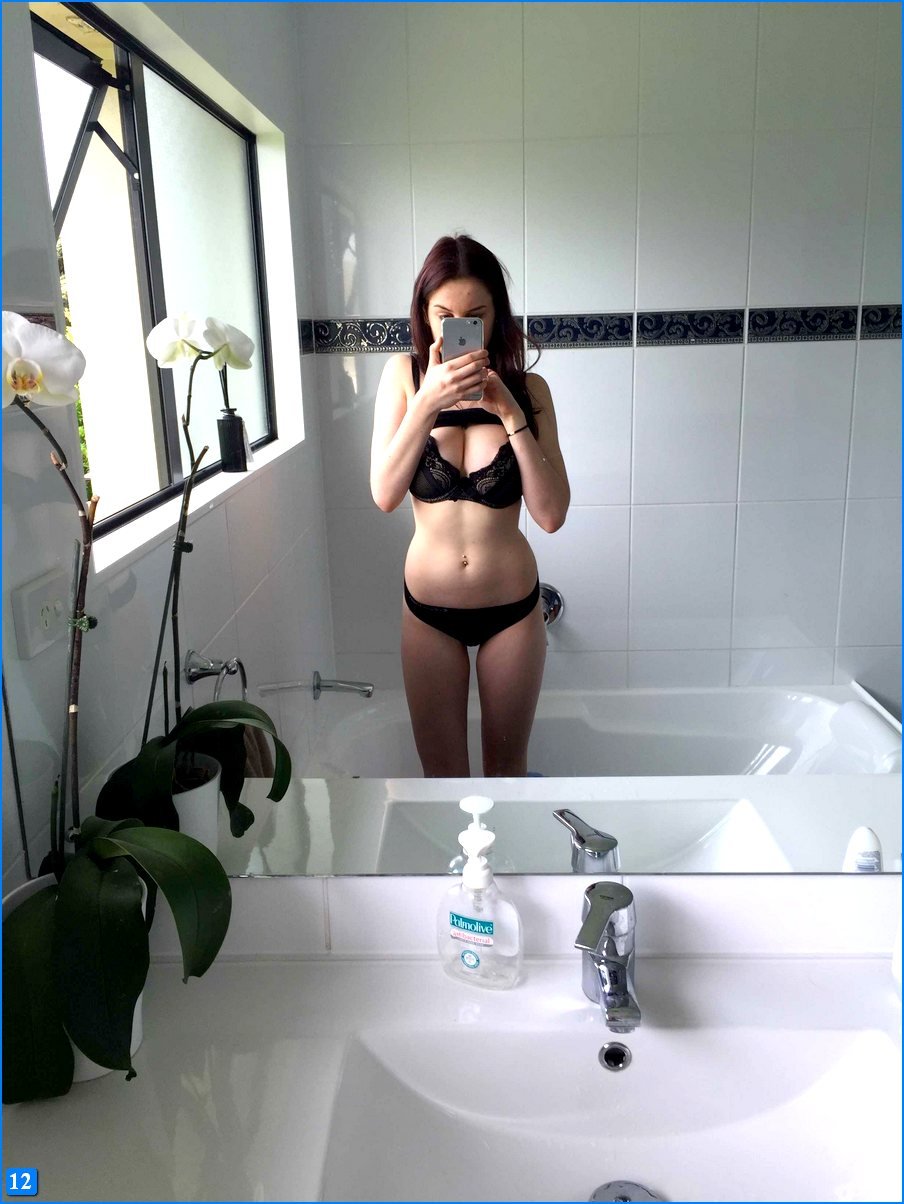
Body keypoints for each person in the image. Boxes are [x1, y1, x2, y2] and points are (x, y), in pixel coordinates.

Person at [370, 234, 570, 777]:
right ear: (424, 315)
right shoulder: (403, 377)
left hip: (513, 612)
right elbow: (385, 494)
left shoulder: (530, 390)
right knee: (442, 779)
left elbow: (551, 515)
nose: (459, 327)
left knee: (507, 772)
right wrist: (428, 403)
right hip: (428, 613)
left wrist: (510, 414)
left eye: (475, 316)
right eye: (444, 316)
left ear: (496, 316)